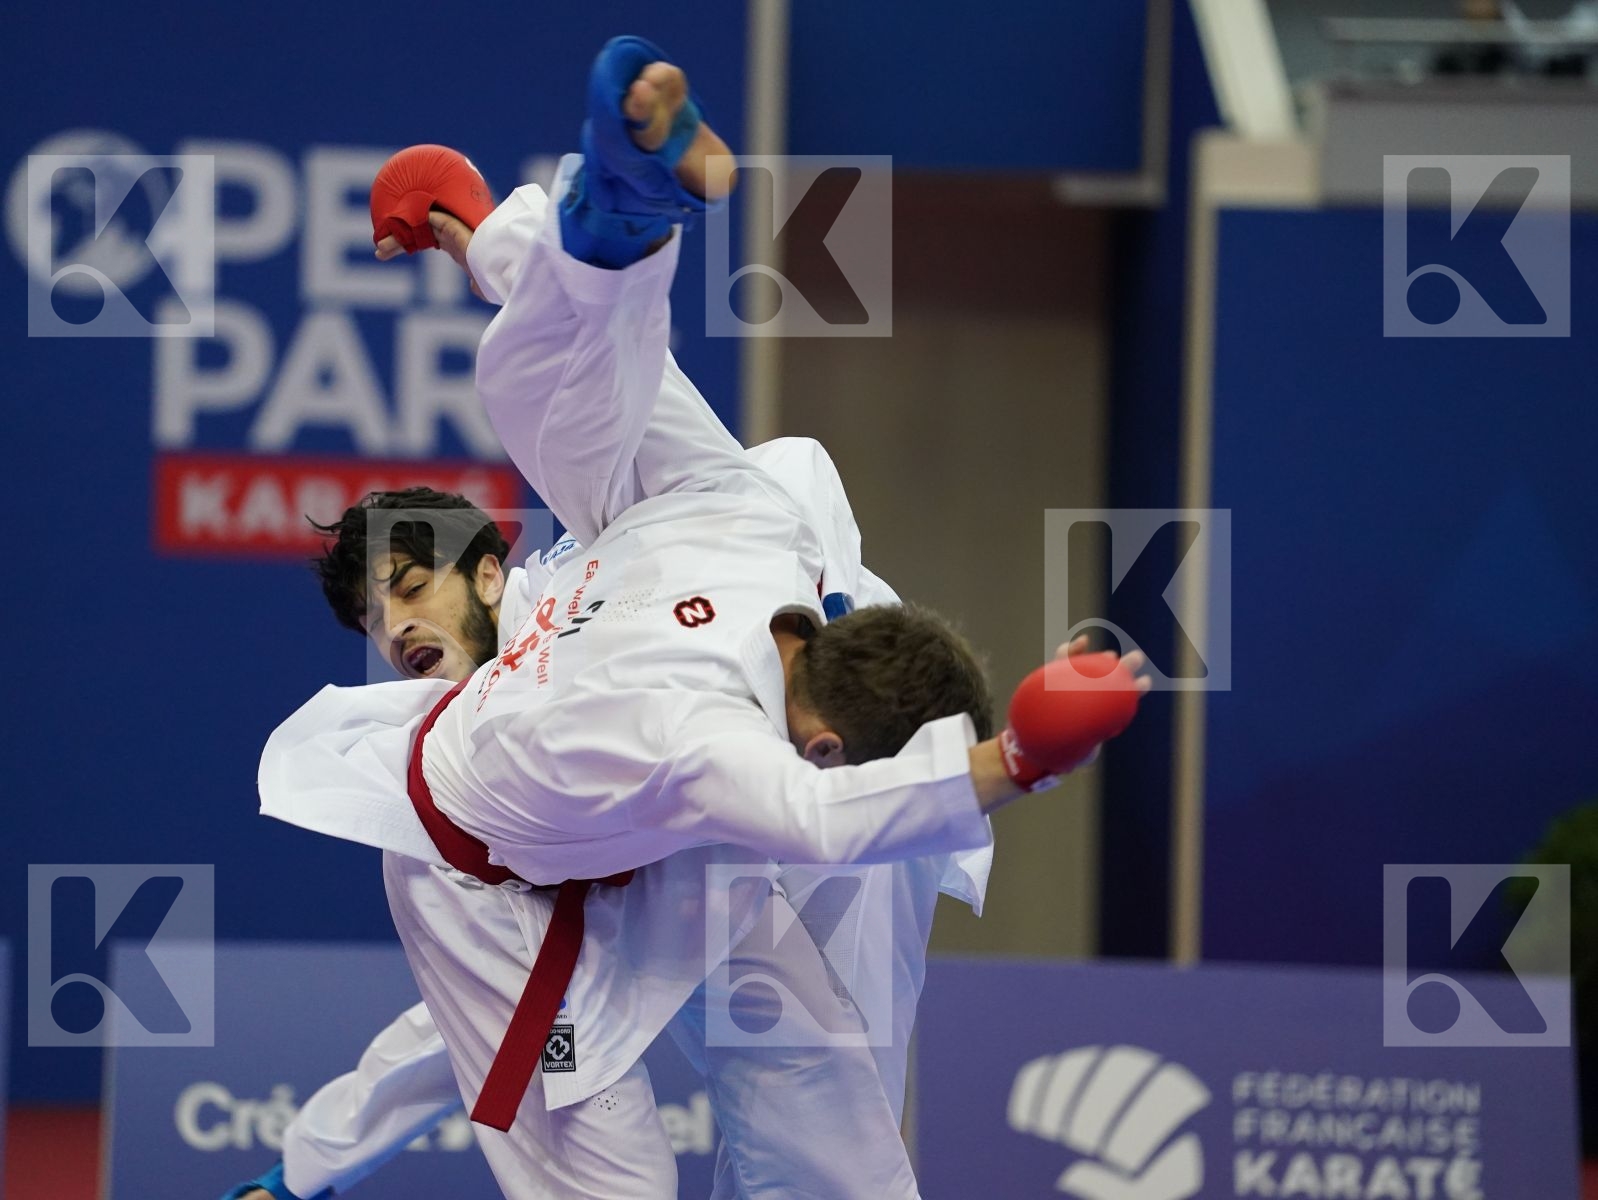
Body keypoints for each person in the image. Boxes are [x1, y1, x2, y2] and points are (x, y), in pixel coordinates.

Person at [256, 34, 1143, 1200]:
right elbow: (818, 816)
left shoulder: (752, 526)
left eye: (411, 590)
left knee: (833, 1131)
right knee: (627, 1183)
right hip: (495, 877)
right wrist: (1023, 755)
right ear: (813, 707)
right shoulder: (707, 699)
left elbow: (598, 371)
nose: (399, 621)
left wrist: (478, 229)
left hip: (630, 755)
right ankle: (600, 220)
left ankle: (608, 220)